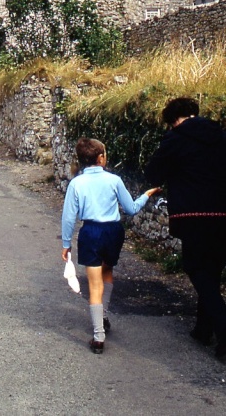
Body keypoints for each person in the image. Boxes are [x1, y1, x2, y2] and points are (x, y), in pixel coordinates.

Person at [144, 97, 226, 358]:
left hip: (196, 212)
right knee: (211, 270)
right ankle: (203, 329)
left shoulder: (176, 138)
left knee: (194, 266)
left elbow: (154, 172)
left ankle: (225, 326)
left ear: (173, 120)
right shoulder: (223, 137)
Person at [61, 138, 160, 354]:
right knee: (108, 272)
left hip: (90, 232)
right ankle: (104, 314)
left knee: (93, 284)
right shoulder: (114, 180)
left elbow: (69, 217)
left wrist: (66, 244)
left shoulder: (76, 183)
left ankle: (98, 336)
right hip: (113, 231)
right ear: (100, 158)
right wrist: (147, 195)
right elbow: (131, 208)